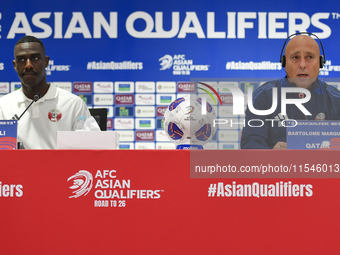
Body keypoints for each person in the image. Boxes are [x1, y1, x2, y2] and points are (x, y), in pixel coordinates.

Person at [241, 33, 340, 149]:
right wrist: (271, 154)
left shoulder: (336, 100)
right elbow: (250, 145)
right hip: (278, 167)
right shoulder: (264, 96)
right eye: (295, 58)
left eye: (309, 57)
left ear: (320, 63)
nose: (302, 65)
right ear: (284, 63)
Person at [0, 35, 91, 149]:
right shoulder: (3, 106)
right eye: (21, 60)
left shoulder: (73, 104)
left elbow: (91, 151)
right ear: (15, 65)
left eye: (35, 58)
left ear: (46, 62)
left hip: (62, 166)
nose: (28, 65)